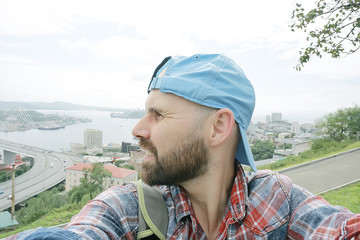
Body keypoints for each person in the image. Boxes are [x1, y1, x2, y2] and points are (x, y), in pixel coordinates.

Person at [7, 54, 360, 239]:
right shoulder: (129, 209)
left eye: (158, 115)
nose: (137, 129)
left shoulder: (276, 199)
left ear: (219, 127)